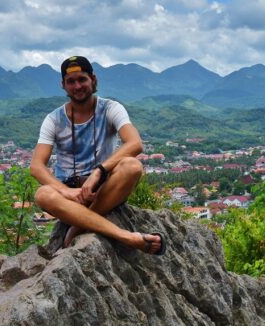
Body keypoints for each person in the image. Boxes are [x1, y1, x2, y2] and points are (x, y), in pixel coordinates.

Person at [31, 55, 165, 255]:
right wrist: (67, 192)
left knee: (132, 166)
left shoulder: (110, 108)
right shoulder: (54, 119)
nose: (77, 86)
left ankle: (79, 225)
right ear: (63, 85)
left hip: (102, 188)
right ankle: (126, 236)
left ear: (93, 80)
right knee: (43, 194)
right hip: (71, 193)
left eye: (82, 79)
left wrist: (98, 171)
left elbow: (135, 143)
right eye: (71, 81)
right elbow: (36, 166)